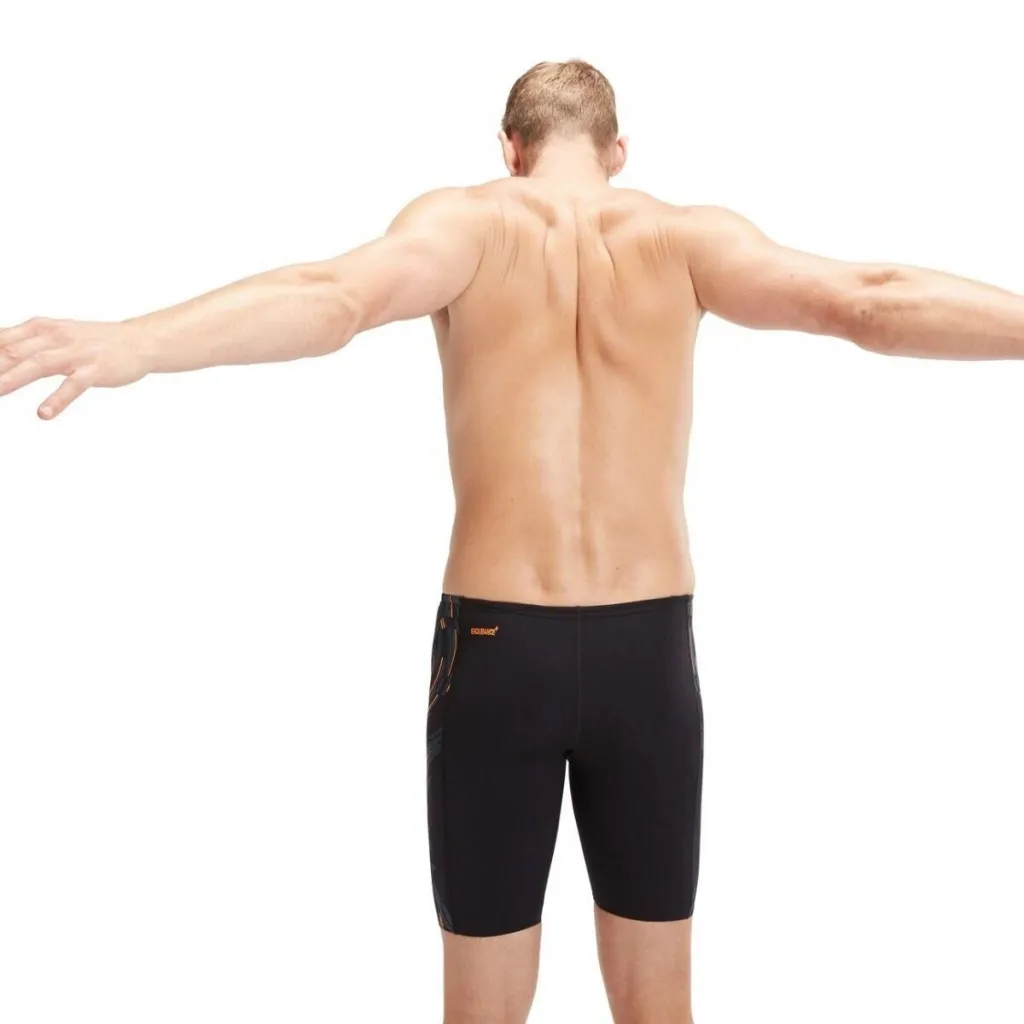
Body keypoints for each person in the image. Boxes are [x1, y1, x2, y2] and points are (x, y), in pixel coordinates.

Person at [2, 57, 1023, 1024]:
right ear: (618, 150)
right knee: (658, 1006)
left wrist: (137, 341)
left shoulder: (466, 227)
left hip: (499, 649)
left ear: (510, 148)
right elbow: (868, 302)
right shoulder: (686, 240)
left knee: (482, 1011)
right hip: (646, 654)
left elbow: (334, 298)